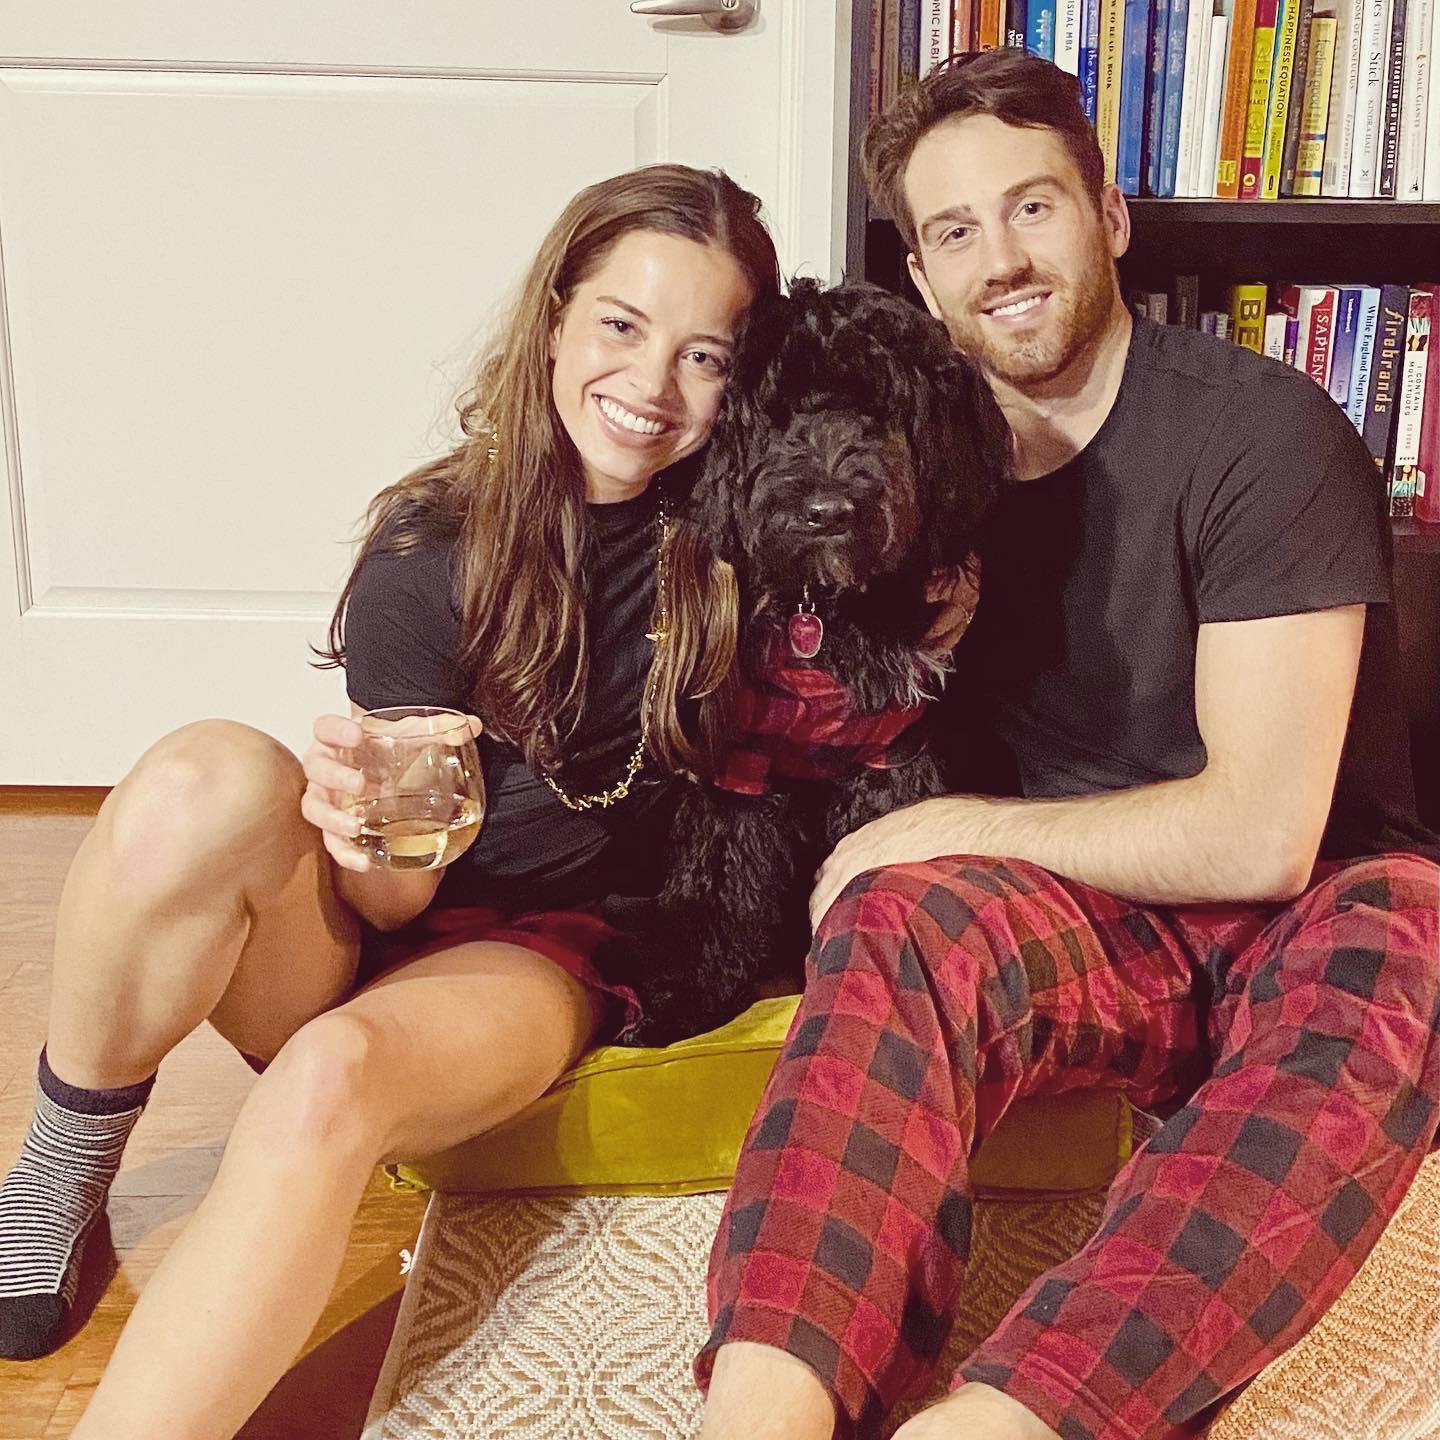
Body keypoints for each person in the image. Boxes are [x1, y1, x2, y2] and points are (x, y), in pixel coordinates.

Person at [695, 49, 1440, 1440]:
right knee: (895, 915)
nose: (1003, 261)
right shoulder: (917, 466)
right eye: (955, 231)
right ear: (923, 279)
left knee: (1414, 953)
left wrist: (946, 826)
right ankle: (761, 1409)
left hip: (1312, 898)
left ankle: (1005, 1422)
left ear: (1110, 214)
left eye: (1032, 206)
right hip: (1086, 919)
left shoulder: (1262, 434)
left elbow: (1263, 835)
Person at [0, 163, 777, 1438]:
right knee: (202, 775)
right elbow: (389, 899)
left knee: (328, 1075)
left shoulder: (740, 550)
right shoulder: (429, 551)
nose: (651, 384)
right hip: (385, 914)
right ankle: (61, 1164)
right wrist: (379, 835)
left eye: (705, 356)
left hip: (538, 953)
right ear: (556, 318)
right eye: (622, 326)